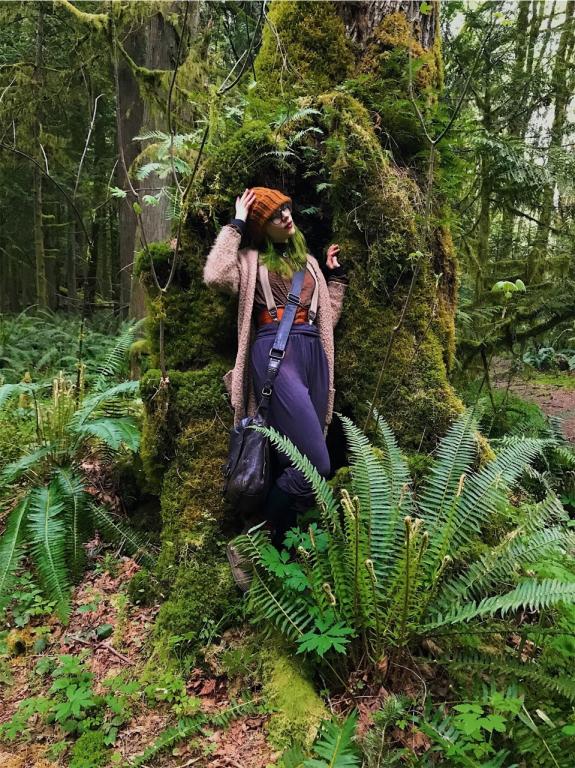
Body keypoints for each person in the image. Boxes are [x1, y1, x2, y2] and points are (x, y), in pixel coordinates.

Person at [203, 187, 347, 583]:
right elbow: (215, 275)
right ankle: (252, 540)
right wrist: (236, 224)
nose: (286, 216)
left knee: (291, 460)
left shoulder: (311, 264)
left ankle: (279, 553)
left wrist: (335, 279)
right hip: (274, 358)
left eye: (286, 208)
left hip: (314, 358)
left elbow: (326, 320)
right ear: (261, 228)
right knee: (315, 465)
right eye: (274, 215)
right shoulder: (249, 261)